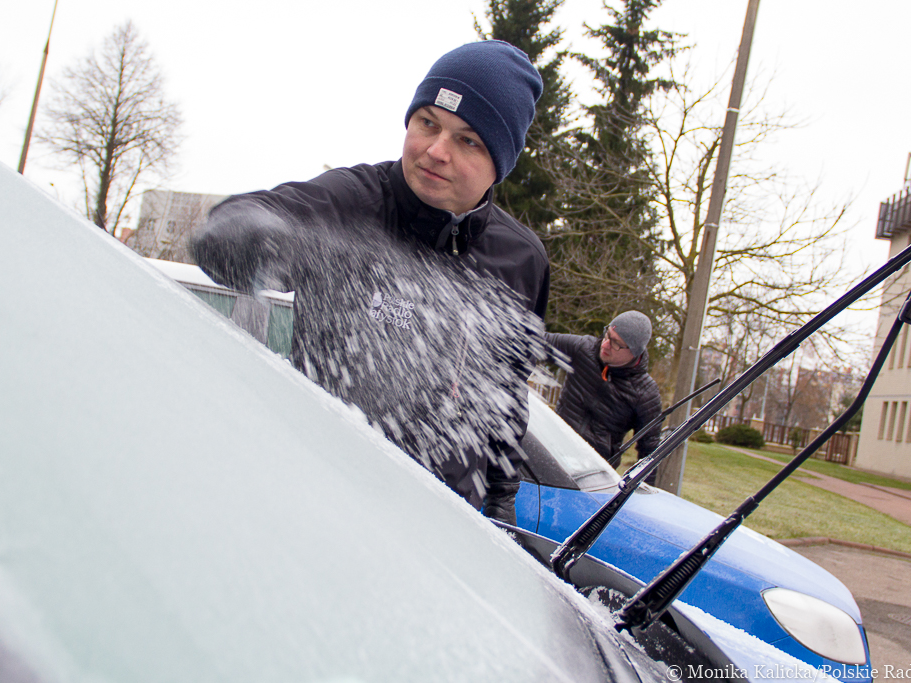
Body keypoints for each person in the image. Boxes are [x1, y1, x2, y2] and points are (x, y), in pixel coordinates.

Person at [191, 41, 549, 524]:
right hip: (319, 509)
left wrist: (502, 500)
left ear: (499, 163)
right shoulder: (351, 204)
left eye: (467, 141)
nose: (436, 151)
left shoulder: (522, 261)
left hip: (439, 525)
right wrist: (247, 237)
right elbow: (240, 222)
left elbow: (507, 391)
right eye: (428, 123)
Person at [545, 311, 663, 466]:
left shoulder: (646, 394)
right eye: (607, 335)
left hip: (592, 470)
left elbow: (649, 453)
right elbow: (536, 341)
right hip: (552, 449)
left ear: (634, 352)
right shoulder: (583, 348)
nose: (605, 344)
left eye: (615, 343)